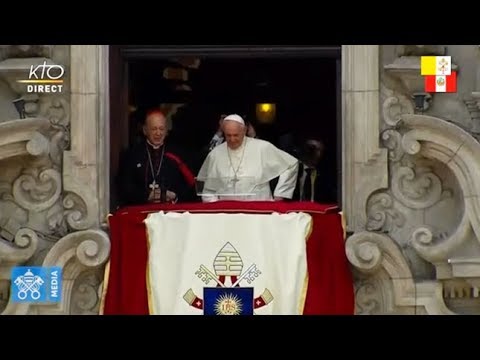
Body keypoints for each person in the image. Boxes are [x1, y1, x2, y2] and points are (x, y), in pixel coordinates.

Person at [197, 114, 298, 202]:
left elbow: (291, 164)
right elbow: (207, 188)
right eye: (228, 135)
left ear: (244, 130)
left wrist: (280, 194)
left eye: (236, 135)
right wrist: (215, 205)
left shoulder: (262, 147)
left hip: (259, 209)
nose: (232, 139)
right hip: (227, 212)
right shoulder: (215, 153)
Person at [116, 108, 196, 206]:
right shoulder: (132, 155)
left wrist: (175, 196)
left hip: (171, 211)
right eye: (154, 129)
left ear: (166, 130)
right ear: (145, 130)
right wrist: (146, 196)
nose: (158, 133)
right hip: (140, 210)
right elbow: (124, 187)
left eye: (161, 129)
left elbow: (191, 186)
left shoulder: (178, 154)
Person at [292, 137, 336, 203]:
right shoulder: (293, 169)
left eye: (319, 150)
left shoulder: (325, 174)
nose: (311, 152)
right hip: (294, 210)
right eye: (310, 148)